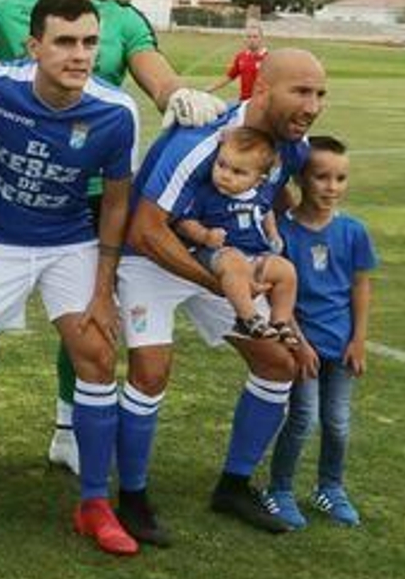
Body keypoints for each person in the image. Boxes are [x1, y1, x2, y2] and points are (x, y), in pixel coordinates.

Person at [0, 0, 227, 489]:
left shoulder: (123, 18)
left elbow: (156, 75)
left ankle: (68, 432)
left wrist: (178, 96)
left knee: (88, 322)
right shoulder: (8, 11)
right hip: (13, 189)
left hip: (93, 195)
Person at [0, 0, 141, 555]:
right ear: (34, 47)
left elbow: (116, 202)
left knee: (97, 354)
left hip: (69, 241)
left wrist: (103, 288)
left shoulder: (115, 111)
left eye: (89, 42)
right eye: (65, 42)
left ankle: (94, 503)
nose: (80, 54)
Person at [116, 49, 327, 544]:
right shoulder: (202, 141)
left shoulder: (292, 146)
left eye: (320, 94)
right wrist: (221, 285)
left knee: (278, 363)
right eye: (301, 92)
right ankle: (132, 497)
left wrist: (269, 254)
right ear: (261, 90)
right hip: (152, 257)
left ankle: (233, 487)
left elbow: (275, 194)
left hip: (227, 259)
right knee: (151, 370)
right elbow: (146, 230)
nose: (313, 106)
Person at [266, 136, 379, 528]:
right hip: (302, 347)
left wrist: (358, 340)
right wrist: (298, 344)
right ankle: (279, 490)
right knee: (303, 418)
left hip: (341, 346)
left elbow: (360, 286)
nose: (332, 187)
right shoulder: (283, 233)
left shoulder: (353, 231)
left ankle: (330, 487)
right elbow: (279, 296)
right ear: (300, 179)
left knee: (338, 422)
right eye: (322, 177)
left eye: (340, 178)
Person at [171, 126, 300, 341]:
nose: (225, 175)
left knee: (286, 270)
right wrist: (205, 235)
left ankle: (280, 322)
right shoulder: (206, 194)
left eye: (238, 172)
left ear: (258, 180)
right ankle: (246, 319)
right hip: (217, 254)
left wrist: (273, 234)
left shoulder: (260, 194)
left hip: (254, 254)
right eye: (221, 165)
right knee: (234, 261)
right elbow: (184, 222)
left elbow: (266, 212)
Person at [208, 24, 267, 100]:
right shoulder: (241, 57)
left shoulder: (268, 58)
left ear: (261, 39)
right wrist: (211, 88)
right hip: (244, 100)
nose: (252, 40)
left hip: (260, 102)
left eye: (255, 37)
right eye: (248, 37)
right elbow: (230, 77)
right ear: (245, 39)